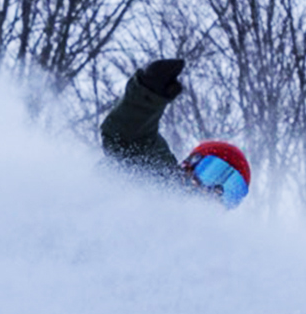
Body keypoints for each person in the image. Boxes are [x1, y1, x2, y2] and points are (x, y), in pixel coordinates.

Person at [100, 57, 251, 208]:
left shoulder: (209, 230)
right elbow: (130, 139)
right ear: (191, 163)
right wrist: (148, 97)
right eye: (213, 172)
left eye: (232, 191)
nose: (216, 191)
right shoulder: (162, 180)